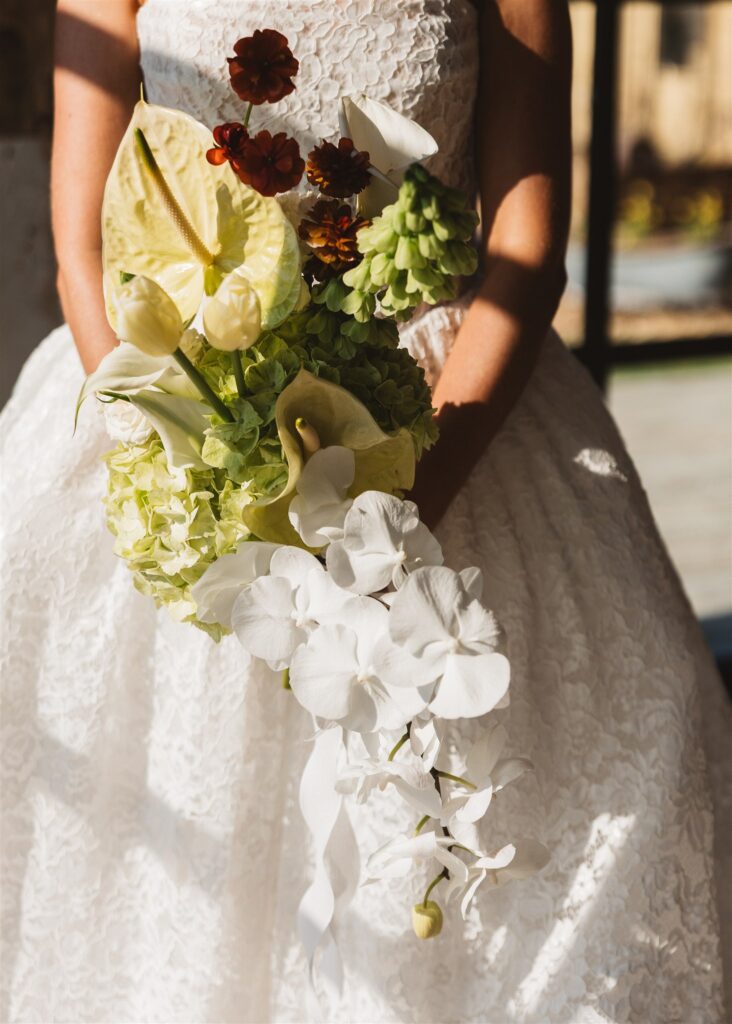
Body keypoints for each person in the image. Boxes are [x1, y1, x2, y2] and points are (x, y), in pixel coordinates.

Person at [1, 1, 728, 1021]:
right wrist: (183, 446)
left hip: (445, 410)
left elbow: (526, 237)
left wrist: (397, 504)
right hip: (186, 391)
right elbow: (82, 242)